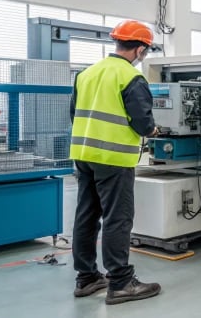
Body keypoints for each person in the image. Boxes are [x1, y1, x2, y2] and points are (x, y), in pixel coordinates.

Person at [69, 20, 162, 305]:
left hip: (84, 154)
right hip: (113, 157)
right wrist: (154, 131)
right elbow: (143, 122)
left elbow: (73, 113)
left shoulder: (87, 73)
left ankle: (86, 277)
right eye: (145, 50)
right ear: (140, 50)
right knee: (117, 218)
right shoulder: (130, 77)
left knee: (86, 215)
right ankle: (121, 282)